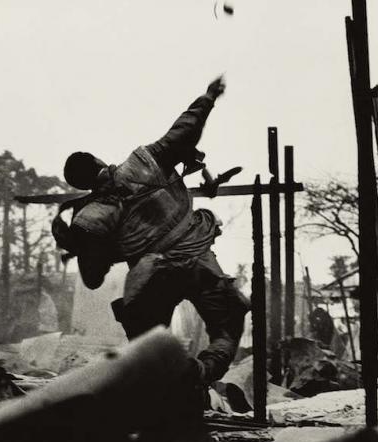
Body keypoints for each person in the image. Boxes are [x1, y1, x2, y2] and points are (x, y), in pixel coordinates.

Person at [52, 76, 249, 388]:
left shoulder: (90, 217)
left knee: (147, 346)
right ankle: (201, 373)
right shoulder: (144, 162)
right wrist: (208, 96)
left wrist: (93, 247)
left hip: (151, 277)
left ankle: (178, 381)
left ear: (80, 184)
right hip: (197, 259)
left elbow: (92, 278)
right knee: (227, 326)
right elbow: (185, 130)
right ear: (98, 160)